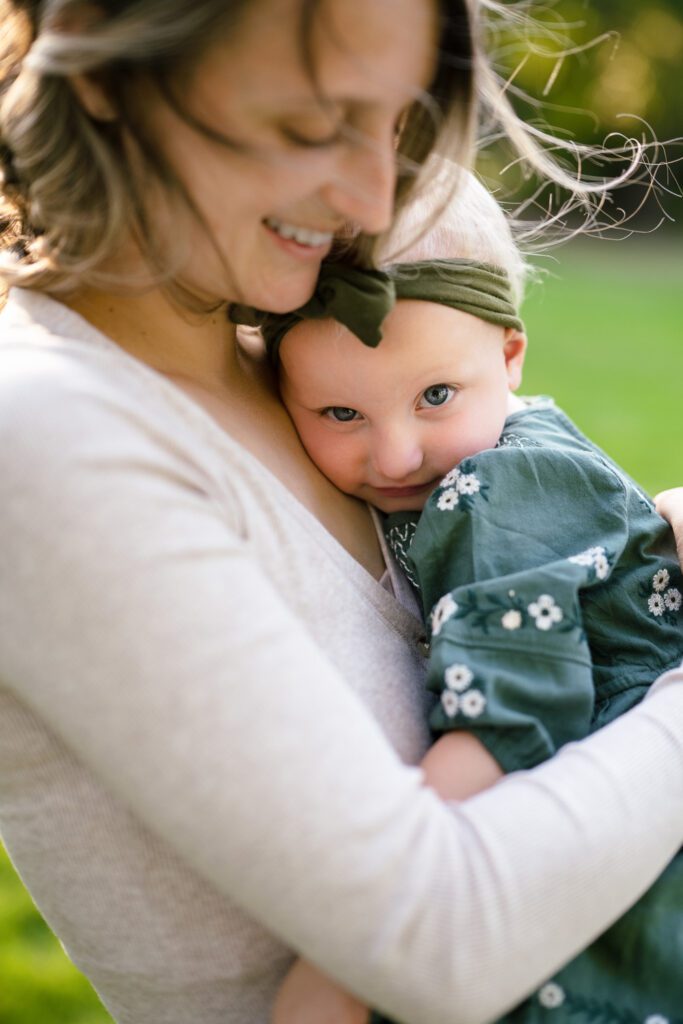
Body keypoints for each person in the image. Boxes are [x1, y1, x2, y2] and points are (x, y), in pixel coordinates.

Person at [1, 3, 683, 1024]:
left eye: (392, 122)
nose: (374, 194)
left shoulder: (299, 371)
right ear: (105, 70)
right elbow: (433, 940)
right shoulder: (51, 434)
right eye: (314, 122)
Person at [265, 169, 683, 1022]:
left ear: (508, 354)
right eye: (340, 414)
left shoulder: (491, 486)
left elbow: (516, 705)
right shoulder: (509, 447)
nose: (395, 456)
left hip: (629, 879)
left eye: (435, 397)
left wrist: (363, 928)